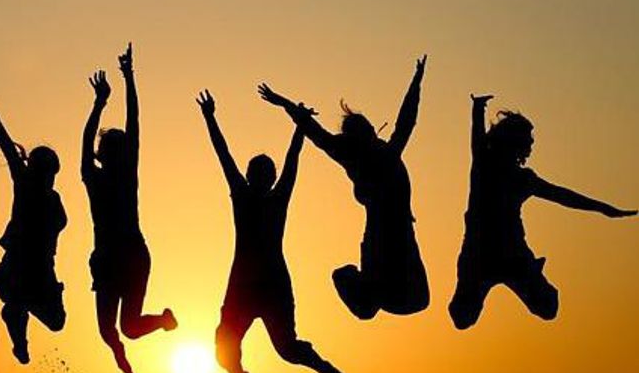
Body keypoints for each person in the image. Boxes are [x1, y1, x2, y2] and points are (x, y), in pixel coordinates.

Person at [197, 89, 345, 373]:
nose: (261, 177)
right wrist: (210, 119)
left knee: (285, 348)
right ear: (251, 175)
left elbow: (291, 161)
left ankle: (323, 368)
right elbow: (225, 156)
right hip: (248, 283)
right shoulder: (245, 195)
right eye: (258, 173)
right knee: (226, 346)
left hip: (268, 283)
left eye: (266, 174)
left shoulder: (274, 198)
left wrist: (300, 128)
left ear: (269, 177)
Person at [258, 56, 430, 320]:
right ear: (365, 134)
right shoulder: (378, 154)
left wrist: (284, 103)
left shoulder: (361, 154)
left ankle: (368, 290)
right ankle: (364, 288)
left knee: (415, 301)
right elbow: (405, 122)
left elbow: (313, 130)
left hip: (393, 234)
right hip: (388, 236)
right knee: (411, 301)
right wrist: (417, 81)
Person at [449, 94, 636, 329]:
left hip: (513, 254)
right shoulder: (484, 163)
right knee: (462, 319)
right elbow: (477, 137)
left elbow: (563, 196)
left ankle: (533, 274)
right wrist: (477, 108)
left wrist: (603, 208)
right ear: (514, 142)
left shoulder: (523, 179)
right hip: (479, 254)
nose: (531, 145)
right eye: (528, 140)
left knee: (549, 308)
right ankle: (523, 274)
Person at [81, 44, 177, 373]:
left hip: (133, 256)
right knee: (109, 332)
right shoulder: (92, 177)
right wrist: (99, 103)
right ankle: (119, 350)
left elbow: (134, 123)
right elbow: (86, 143)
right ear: (102, 154)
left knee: (131, 328)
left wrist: (128, 78)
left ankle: (163, 320)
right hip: (108, 260)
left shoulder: (126, 174)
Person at [0, 108, 67, 364]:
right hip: (16, 266)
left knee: (57, 322)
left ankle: (18, 306)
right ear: (36, 170)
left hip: (44, 269)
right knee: (17, 303)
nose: (49, 178)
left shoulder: (55, 198)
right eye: (46, 172)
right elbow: (9, 151)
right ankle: (18, 331)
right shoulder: (25, 185)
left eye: (52, 174)